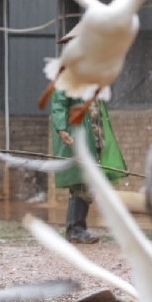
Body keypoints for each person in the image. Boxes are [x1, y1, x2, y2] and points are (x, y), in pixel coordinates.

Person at [50, 88, 126, 244]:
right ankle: (75, 229)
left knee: (88, 185)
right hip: (79, 137)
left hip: (95, 140)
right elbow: (59, 102)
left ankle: (76, 229)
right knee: (82, 183)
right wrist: (61, 127)